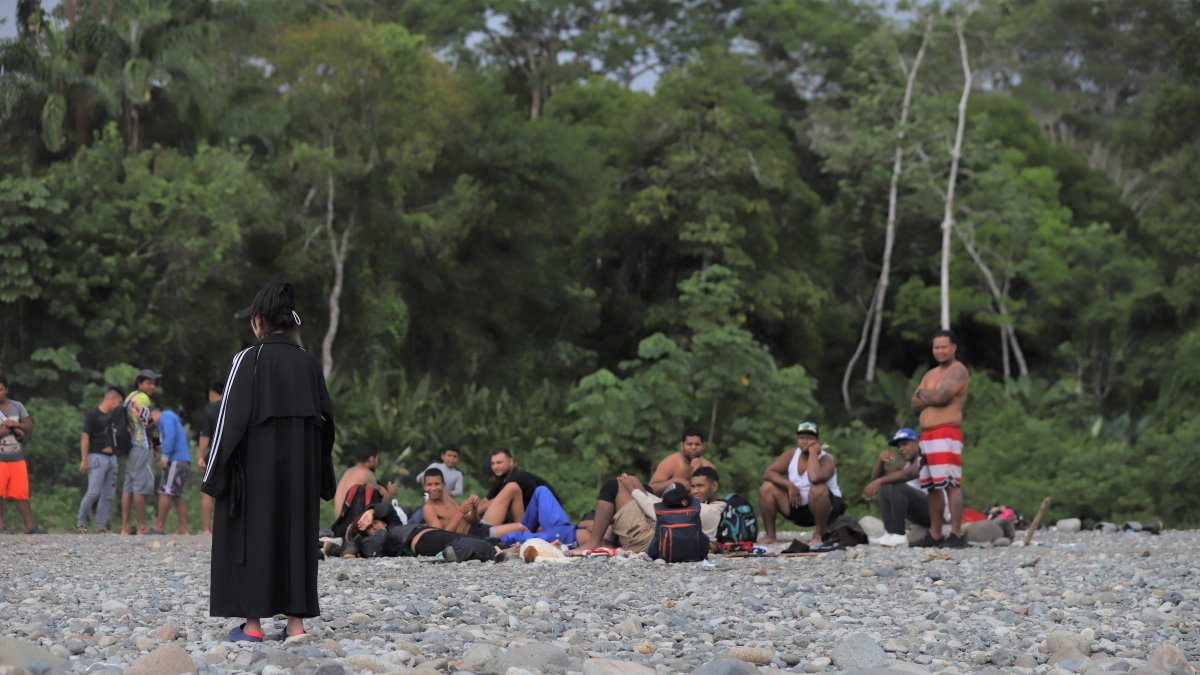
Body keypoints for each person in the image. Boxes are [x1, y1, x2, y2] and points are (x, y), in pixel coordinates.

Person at [202, 280, 336, 642]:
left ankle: (253, 625)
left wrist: (215, 478)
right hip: (300, 473)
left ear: (258, 320)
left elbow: (228, 420)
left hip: (256, 471)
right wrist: (323, 477)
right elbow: (326, 423)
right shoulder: (308, 362)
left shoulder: (249, 359)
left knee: (252, 536)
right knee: (297, 537)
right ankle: (296, 625)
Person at [910, 329, 970, 548]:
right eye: (936, 347)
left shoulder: (958, 370)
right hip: (927, 436)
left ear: (954, 347)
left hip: (946, 433)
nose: (940, 351)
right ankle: (935, 535)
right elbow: (914, 403)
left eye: (944, 347)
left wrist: (925, 394)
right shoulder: (930, 374)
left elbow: (942, 396)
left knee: (950, 483)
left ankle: (955, 534)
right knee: (932, 486)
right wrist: (930, 396)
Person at [581, 468, 726, 552]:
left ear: (713, 486)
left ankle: (595, 542)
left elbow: (663, 513)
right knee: (633, 480)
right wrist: (636, 487)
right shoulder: (700, 508)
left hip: (651, 542)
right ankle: (606, 538)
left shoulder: (709, 512)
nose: (695, 491)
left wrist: (633, 490)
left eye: (700, 486)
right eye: (693, 487)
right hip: (658, 535)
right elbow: (663, 506)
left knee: (612, 486)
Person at [758, 422, 846, 547]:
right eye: (801, 438)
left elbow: (814, 478)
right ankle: (770, 535)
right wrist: (789, 485)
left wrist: (813, 453)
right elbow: (768, 473)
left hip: (826, 509)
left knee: (818, 488)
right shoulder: (791, 454)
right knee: (767, 487)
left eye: (810, 438)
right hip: (797, 506)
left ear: (817, 441)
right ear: (797, 440)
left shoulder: (826, 459)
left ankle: (819, 535)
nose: (805, 442)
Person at [862, 428, 931, 547]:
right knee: (886, 484)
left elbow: (910, 474)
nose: (901, 449)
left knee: (898, 485)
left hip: (935, 512)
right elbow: (877, 477)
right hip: (922, 514)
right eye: (898, 446)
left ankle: (899, 535)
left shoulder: (925, 455)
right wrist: (881, 460)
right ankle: (890, 533)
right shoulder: (905, 463)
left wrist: (879, 481)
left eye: (905, 444)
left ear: (917, 443)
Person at [76, 387, 125, 533]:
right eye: (119, 402)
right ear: (112, 399)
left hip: (112, 458)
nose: (119, 405)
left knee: (108, 494)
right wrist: (84, 459)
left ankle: (101, 525)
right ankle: (81, 522)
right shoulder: (93, 414)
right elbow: (85, 437)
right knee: (93, 492)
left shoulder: (115, 416)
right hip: (97, 456)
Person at [0, 374, 44, 534]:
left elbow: (29, 427)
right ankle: (1, 526)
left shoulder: (17, 406)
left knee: (22, 493)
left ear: (6, 390)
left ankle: (29, 527)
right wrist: (6, 429)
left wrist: (15, 424)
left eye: (0, 390)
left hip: (17, 457)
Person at [121, 369, 161, 535]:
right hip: (143, 445)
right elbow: (149, 424)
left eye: (154, 383)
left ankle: (125, 527)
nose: (152, 386)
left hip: (131, 446)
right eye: (148, 383)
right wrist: (156, 445)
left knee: (128, 486)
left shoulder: (129, 398)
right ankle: (142, 526)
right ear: (140, 383)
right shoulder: (143, 398)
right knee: (140, 486)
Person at [479, 448, 559, 525]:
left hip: (547, 512)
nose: (495, 467)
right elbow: (486, 500)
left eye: (499, 463)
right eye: (493, 463)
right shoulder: (501, 478)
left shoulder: (518, 477)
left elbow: (540, 500)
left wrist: (541, 525)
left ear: (510, 462)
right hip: (527, 513)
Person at [149, 408, 190, 535]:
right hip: (183, 460)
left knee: (164, 491)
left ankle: (159, 527)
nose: (150, 423)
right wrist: (156, 448)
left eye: (149, 419)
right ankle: (184, 529)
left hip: (176, 460)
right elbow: (159, 436)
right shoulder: (167, 420)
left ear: (154, 413)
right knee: (176, 495)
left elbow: (170, 435)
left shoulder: (166, 416)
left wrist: (165, 456)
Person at [333, 442, 396, 519]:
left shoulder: (348, 472)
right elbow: (382, 502)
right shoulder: (367, 474)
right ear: (371, 459)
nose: (377, 462)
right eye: (377, 459)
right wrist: (391, 493)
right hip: (351, 524)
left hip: (340, 524)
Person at [647, 426, 715, 495]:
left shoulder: (708, 466)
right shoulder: (670, 462)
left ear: (703, 446)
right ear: (682, 445)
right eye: (689, 444)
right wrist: (675, 481)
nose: (693, 447)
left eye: (697, 444)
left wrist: (697, 472)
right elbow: (651, 489)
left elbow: (713, 494)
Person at [196, 380, 224, 535]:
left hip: (213, 453)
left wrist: (201, 456)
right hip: (231, 452)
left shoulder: (210, 409)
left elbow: (205, 436)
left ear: (211, 394)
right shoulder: (232, 406)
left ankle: (207, 529)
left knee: (208, 489)